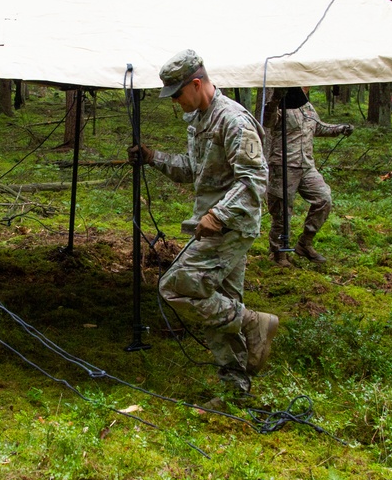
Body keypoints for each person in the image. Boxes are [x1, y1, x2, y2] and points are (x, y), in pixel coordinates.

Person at [129, 50, 279, 397]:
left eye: (178, 94)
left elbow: (254, 179)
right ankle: (235, 391)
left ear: (196, 84)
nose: (176, 102)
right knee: (219, 303)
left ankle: (254, 322)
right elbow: (194, 170)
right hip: (213, 224)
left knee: (175, 286)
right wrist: (153, 158)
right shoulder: (199, 120)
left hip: (231, 226)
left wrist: (219, 214)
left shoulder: (233, 121)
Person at [263, 87, 353, 267]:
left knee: (323, 199)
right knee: (282, 213)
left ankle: (305, 242)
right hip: (284, 165)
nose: (306, 87)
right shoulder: (279, 105)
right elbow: (268, 121)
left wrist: (340, 128)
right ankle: (279, 254)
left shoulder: (307, 107)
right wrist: (275, 100)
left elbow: (318, 126)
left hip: (306, 165)